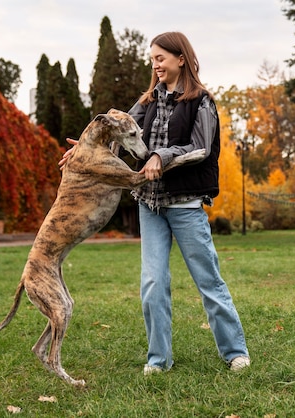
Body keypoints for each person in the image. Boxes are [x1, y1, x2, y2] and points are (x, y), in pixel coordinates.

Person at [61, 31, 250, 374]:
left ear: (181, 59)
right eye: (153, 59)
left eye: (160, 58)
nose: (155, 65)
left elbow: (201, 147)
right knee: (152, 283)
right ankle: (159, 360)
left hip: (185, 205)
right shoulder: (147, 101)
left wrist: (161, 156)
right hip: (149, 205)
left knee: (208, 280)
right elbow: (114, 128)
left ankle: (235, 351)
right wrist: (83, 149)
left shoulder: (201, 101)